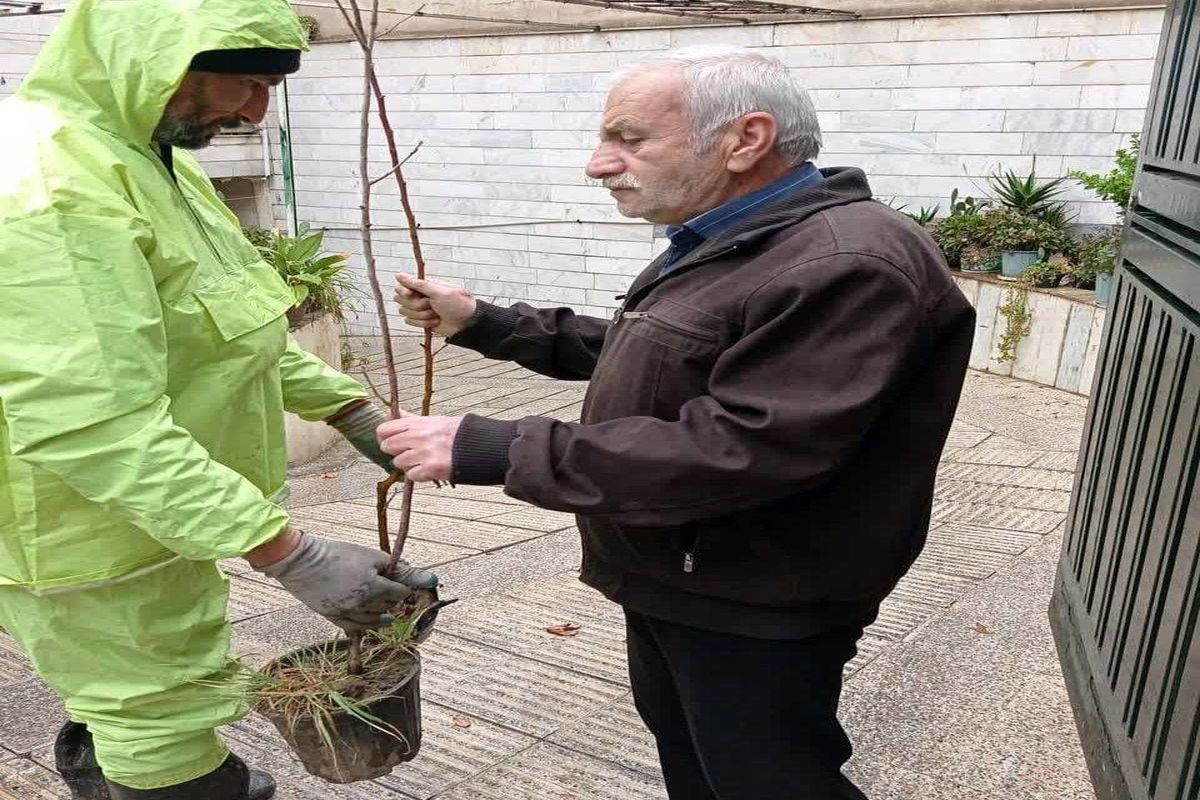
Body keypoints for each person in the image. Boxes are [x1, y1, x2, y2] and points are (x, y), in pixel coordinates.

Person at [378, 46, 976, 799]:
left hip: (757, 592)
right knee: (699, 767)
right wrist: (489, 324)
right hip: (686, 571)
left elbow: (746, 446)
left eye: (629, 139)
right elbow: (670, 352)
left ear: (746, 141)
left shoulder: (844, 263)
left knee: (767, 779)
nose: (600, 164)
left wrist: (499, 447)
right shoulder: (732, 238)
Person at [0, 2, 431, 798]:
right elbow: (90, 425)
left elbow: (234, 335)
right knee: (155, 717)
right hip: (85, 531)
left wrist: (351, 412)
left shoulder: (159, 162)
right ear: (157, 56)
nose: (257, 111)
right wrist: (285, 552)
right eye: (248, 82)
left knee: (166, 690)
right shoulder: (52, 188)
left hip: (159, 517)